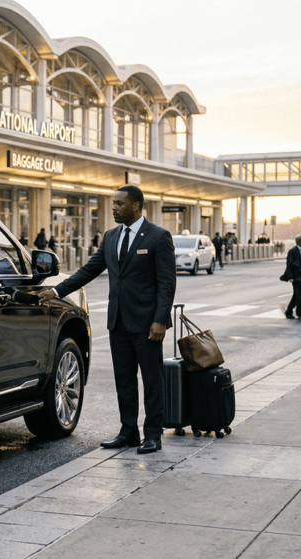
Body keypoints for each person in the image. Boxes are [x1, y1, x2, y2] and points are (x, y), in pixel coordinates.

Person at [38, 185, 176, 454]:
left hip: (148, 324)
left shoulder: (158, 237)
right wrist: (55, 291)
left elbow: (167, 283)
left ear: (136, 205)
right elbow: (88, 270)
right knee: (123, 380)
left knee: (151, 380)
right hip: (118, 322)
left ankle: (153, 435)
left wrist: (160, 320)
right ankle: (128, 432)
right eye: (113, 203)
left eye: (119, 203)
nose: (113, 208)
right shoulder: (111, 237)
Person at [281, 234, 301, 320]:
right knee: (299, 296)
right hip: (296, 277)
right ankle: (300, 314)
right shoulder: (292, 251)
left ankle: (288, 312)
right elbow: (289, 265)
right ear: (298, 242)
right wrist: (290, 277)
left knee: (296, 295)